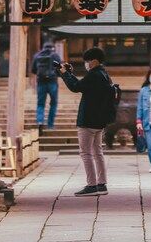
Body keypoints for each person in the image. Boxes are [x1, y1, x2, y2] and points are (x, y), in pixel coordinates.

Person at [56, 46, 114, 196]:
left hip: (88, 120)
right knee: (98, 152)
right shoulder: (104, 75)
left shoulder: (94, 75)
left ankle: (91, 185)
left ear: (94, 61)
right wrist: (68, 73)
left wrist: (64, 74)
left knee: (86, 153)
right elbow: (82, 86)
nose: (86, 64)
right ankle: (101, 184)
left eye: (87, 61)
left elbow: (76, 87)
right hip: (99, 120)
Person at [31, 38, 62, 129]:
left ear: (43, 47)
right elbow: (60, 69)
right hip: (52, 82)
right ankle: (50, 125)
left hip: (41, 82)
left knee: (40, 104)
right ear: (53, 47)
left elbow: (33, 70)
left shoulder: (37, 55)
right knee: (53, 103)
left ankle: (40, 121)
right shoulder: (55, 55)